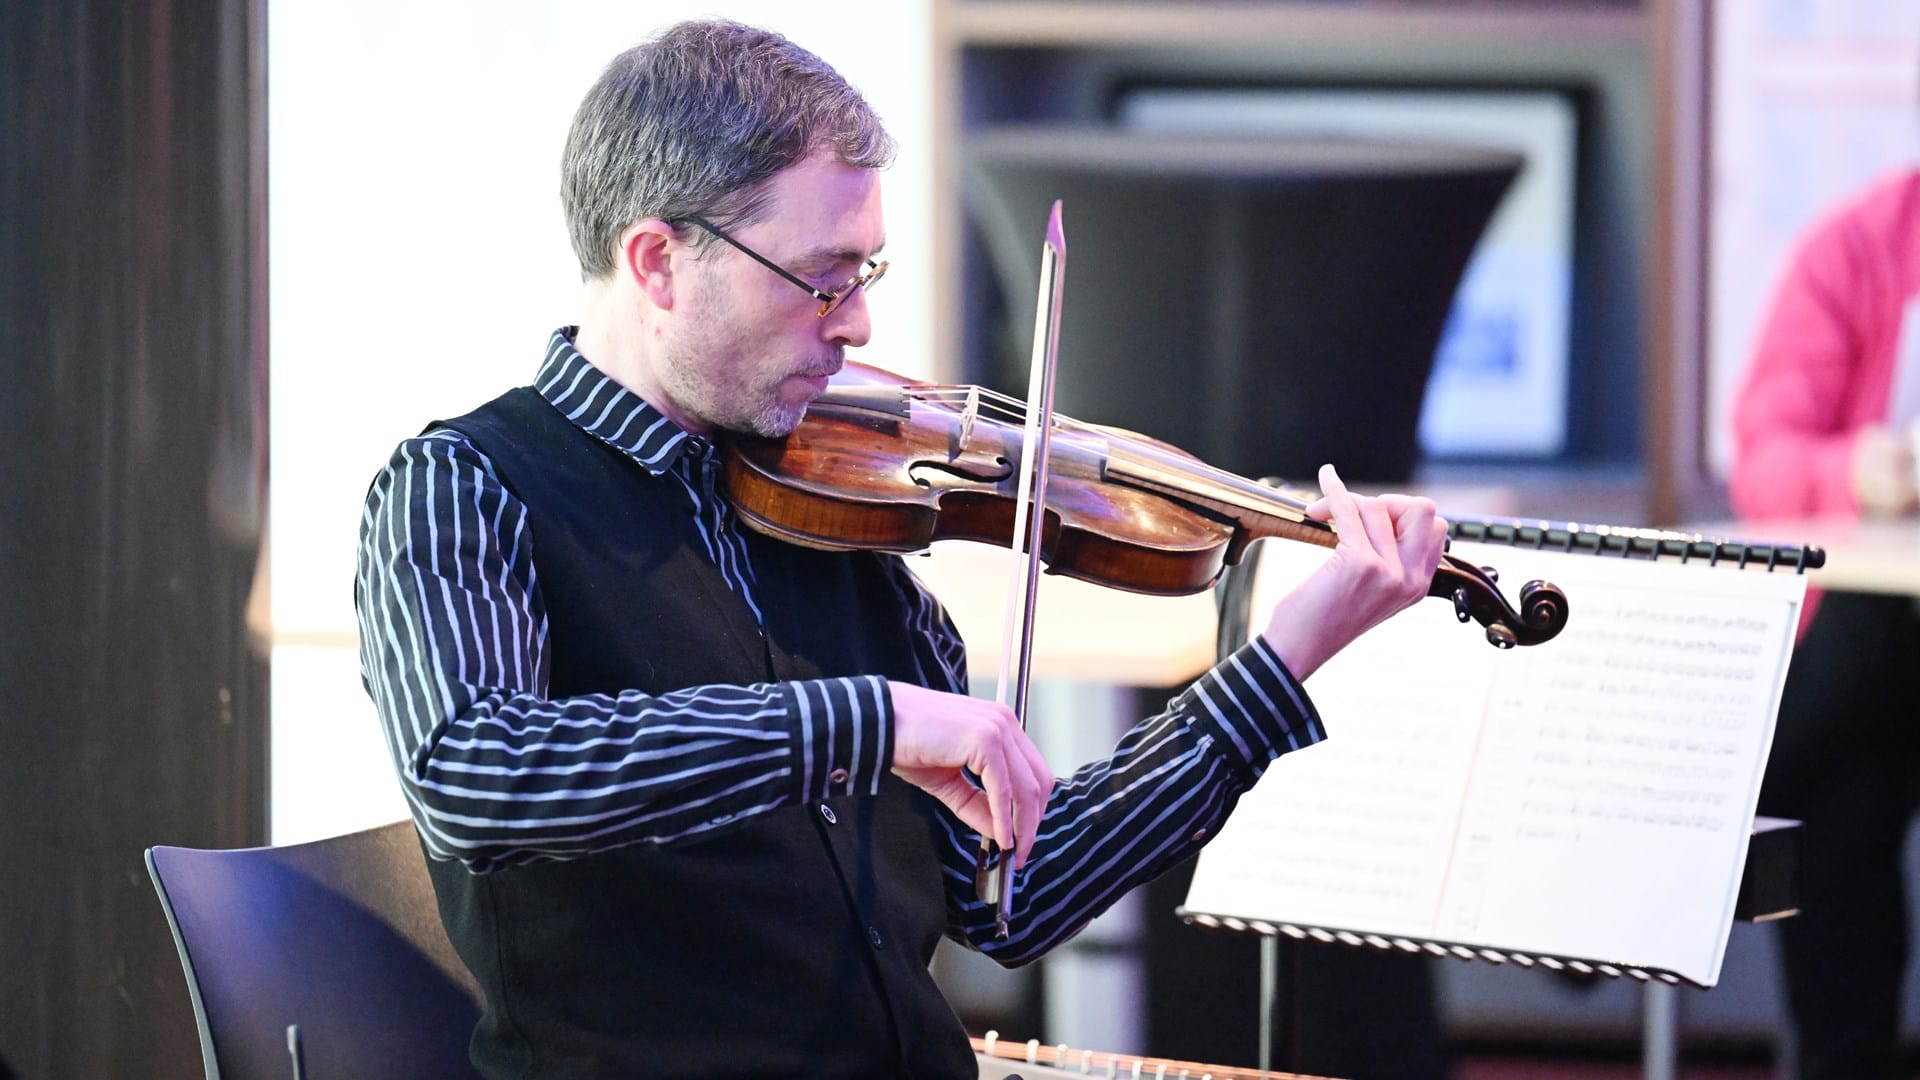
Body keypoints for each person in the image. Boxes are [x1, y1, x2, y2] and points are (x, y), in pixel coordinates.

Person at [354, 19, 1447, 1079]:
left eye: (864, 278)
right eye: (821, 279)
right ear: (656, 262)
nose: (857, 329)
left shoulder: (835, 507)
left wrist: (1286, 655)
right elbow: (477, 778)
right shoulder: (464, 487)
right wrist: (870, 718)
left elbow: (1020, 890)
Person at [1729, 166, 1920, 1080]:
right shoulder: (1860, 246)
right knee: (1849, 785)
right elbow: (1765, 462)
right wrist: (1857, 475)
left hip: (1867, 668)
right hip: (1883, 636)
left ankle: (1704, 812)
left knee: (1841, 757)